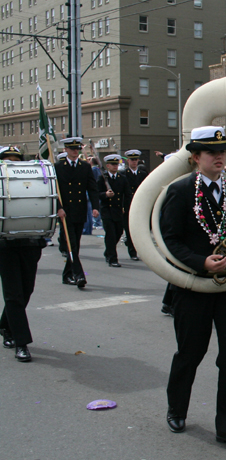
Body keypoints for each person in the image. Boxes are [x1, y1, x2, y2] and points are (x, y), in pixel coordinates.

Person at [159, 126, 226, 451]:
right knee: (190, 353)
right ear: (195, 158)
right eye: (211, 152)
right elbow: (169, 241)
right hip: (193, 288)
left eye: (222, 151)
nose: (219, 156)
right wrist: (201, 262)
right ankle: (177, 409)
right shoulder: (180, 190)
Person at [0, 147, 46, 362]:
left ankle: (4, 325)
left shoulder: (34, 179)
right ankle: (21, 343)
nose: (12, 163)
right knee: (13, 295)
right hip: (4, 245)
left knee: (26, 291)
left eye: (15, 160)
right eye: (7, 160)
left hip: (30, 242)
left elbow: (47, 199)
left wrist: (60, 209)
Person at [55, 137, 101, 289]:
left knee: (75, 245)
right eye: (72, 149)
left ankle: (67, 275)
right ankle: (79, 275)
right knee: (71, 244)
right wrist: (58, 208)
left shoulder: (84, 166)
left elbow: (92, 188)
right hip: (65, 211)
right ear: (66, 150)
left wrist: (95, 207)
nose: (75, 151)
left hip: (80, 210)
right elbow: (54, 191)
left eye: (77, 149)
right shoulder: (58, 167)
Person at [99, 154, 130, 268]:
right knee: (111, 234)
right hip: (107, 210)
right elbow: (97, 193)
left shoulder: (122, 178)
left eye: (116, 164)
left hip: (118, 210)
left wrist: (126, 208)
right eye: (113, 164)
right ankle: (112, 258)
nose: (115, 166)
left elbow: (127, 194)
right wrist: (105, 195)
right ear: (107, 166)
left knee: (118, 232)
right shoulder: (103, 178)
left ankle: (108, 251)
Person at [123, 149, 148, 261]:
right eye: (132, 160)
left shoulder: (142, 174)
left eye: (136, 160)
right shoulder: (124, 174)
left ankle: (139, 249)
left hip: (140, 205)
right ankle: (132, 251)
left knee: (140, 229)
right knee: (129, 229)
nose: (134, 162)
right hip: (128, 204)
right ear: (128, 161)